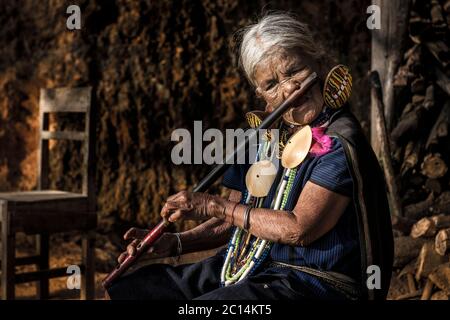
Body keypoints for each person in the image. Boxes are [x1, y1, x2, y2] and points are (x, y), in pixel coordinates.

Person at [106, 12, 393, 300]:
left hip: (319, 285)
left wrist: (212, 205)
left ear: (318, 63)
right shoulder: (263, 137)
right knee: (130, 292)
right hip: (252, 270)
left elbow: (298, 228)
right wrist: (175, 243)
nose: (289, 88)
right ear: (261, 94)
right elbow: (232, 219)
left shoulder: (340, 141)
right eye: (271, 85)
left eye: (294, 71)